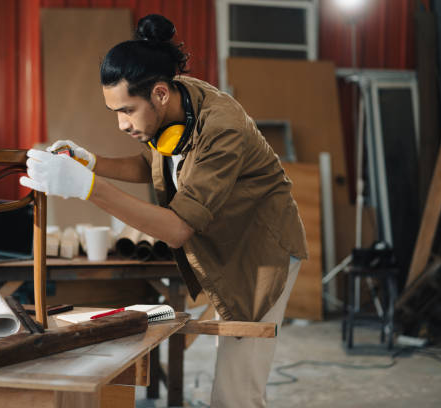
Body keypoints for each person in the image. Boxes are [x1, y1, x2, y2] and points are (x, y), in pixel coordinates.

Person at [20, 14, 307, 408]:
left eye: (126, 110)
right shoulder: (175, 103)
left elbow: (176, 230)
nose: (121, 124)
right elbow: (153, 167)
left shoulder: (221, 129)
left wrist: (87, 188)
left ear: (158, 94)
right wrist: (90, 162)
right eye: (114, 112)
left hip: (260, 253)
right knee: (170, 331)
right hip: (220, 243)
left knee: (235, 393)